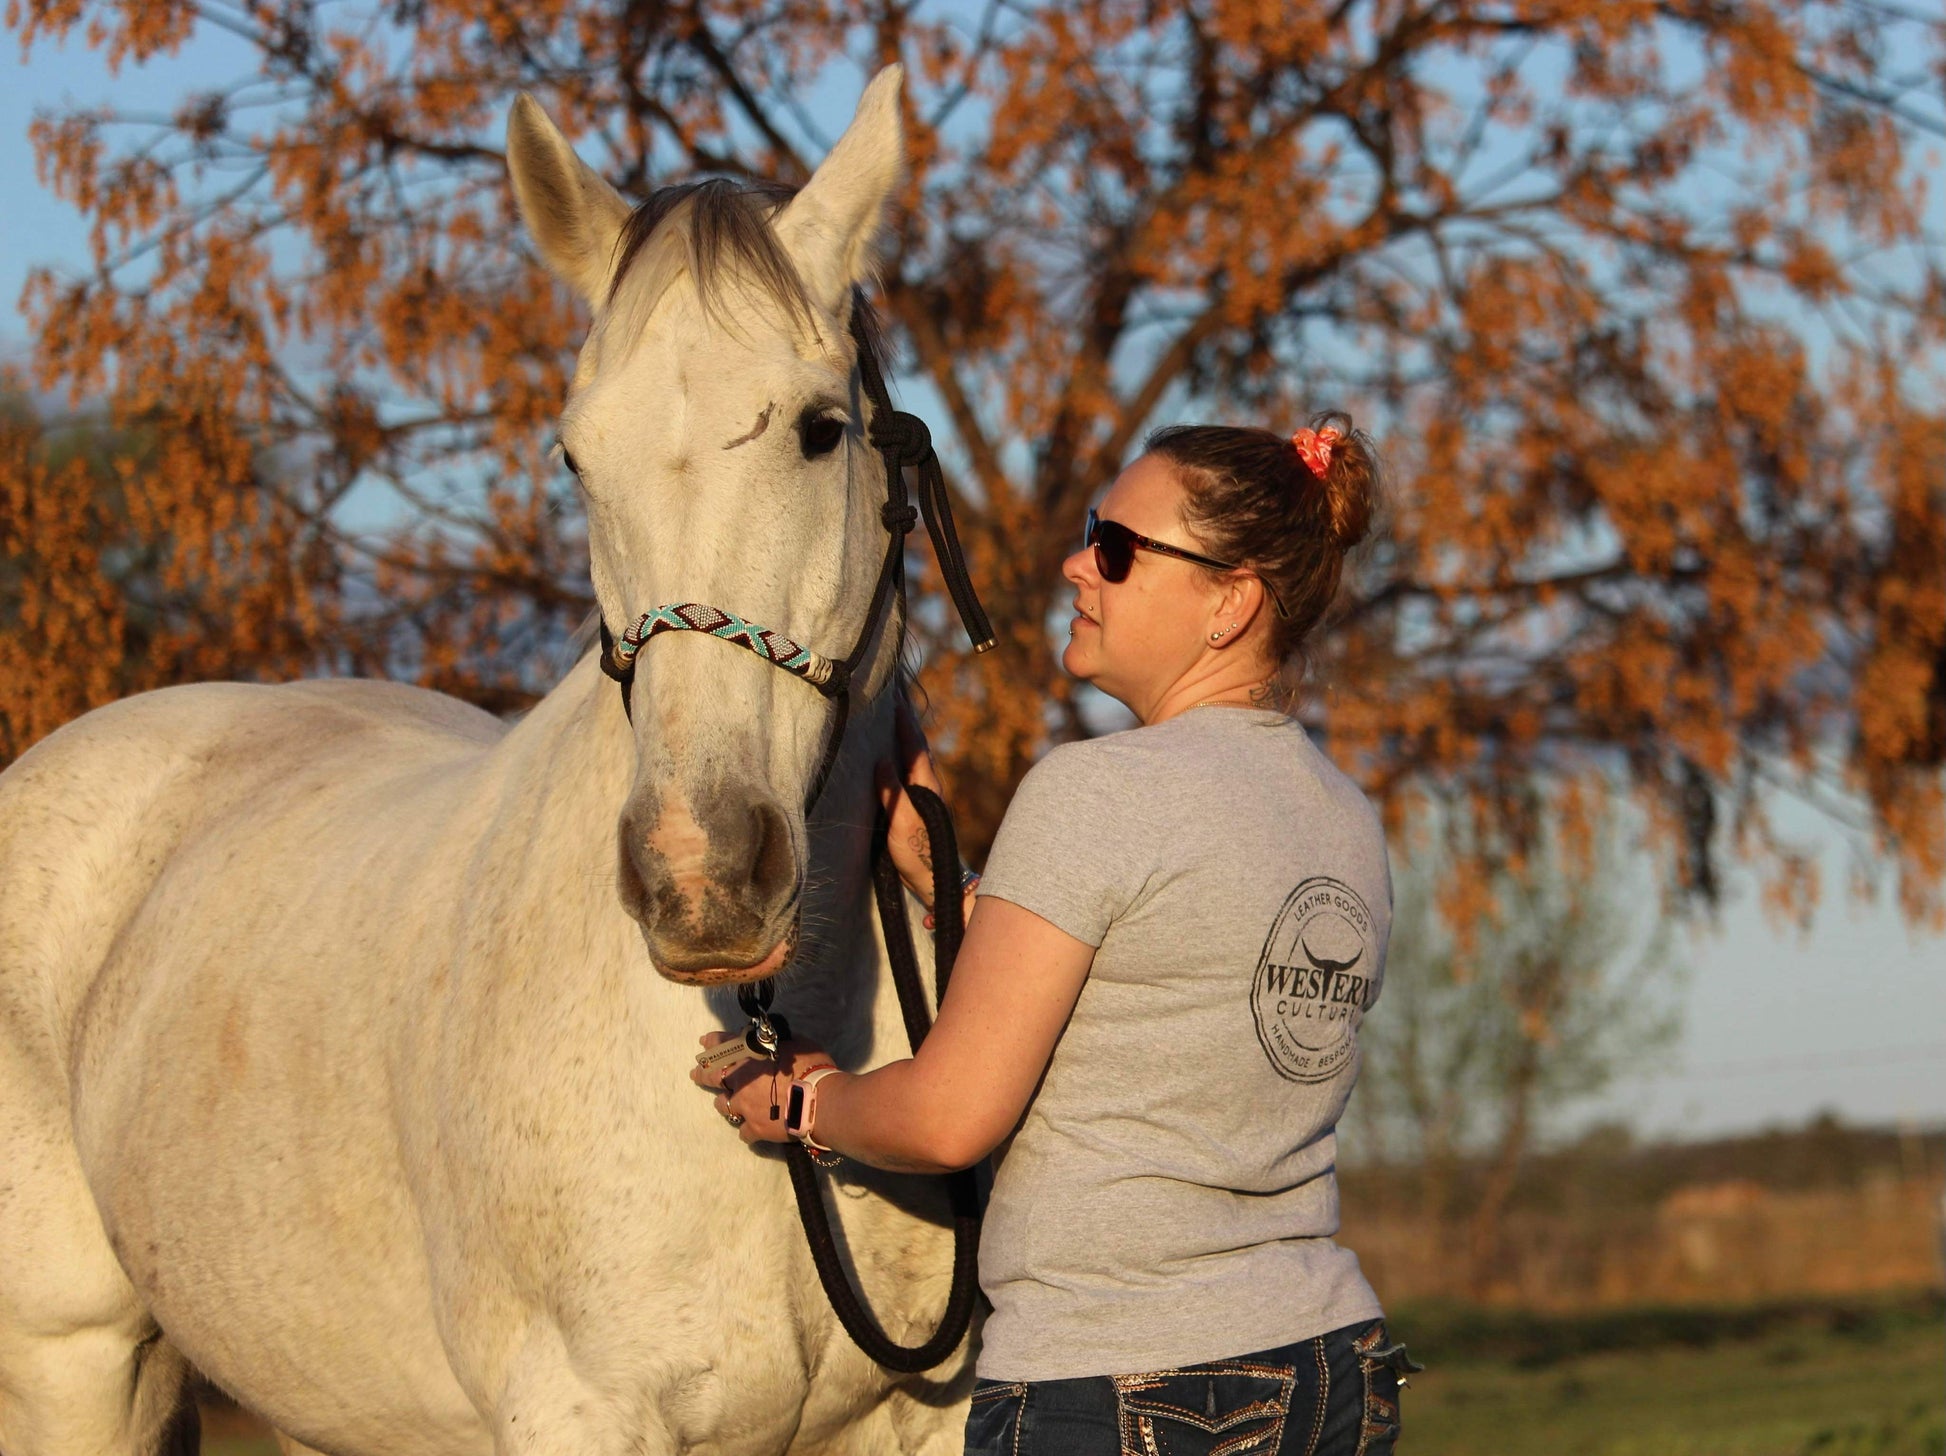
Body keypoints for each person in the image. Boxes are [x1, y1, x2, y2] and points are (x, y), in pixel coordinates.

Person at [693, 414, 1417, 1455]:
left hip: (1123, 1383)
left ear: (1229, 601)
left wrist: (805, 1100)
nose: (1079, 563)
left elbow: (948, 1119)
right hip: (1328, 1363)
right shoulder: (1339, 816)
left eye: (1117, 548)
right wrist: (948, 885)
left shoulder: (1095, 791)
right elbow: (1154, 973)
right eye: (1090, 531)